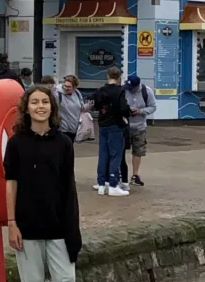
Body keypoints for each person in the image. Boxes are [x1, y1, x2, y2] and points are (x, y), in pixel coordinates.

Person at [4, 85, 90, 282]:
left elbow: (69, 186)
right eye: (35, 102)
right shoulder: (17, 143)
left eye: (45, 102)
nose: (40, 106)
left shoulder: (63, 143)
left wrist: (71, 224)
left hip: (58, 224)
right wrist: (11, 223)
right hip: (27, 225)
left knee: (65, 280)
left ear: (52, 108)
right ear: (26, 107)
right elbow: (11, 183)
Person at [92, 67, 130, 196]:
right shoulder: (120, 91)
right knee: (116, 155)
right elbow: (123, 108)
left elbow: (95, 105)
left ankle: (102, 184)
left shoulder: (100, 90)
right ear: (119, 77)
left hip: (102, 125)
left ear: (107, 75)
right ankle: (113, 183)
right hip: (115, 125)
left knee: (103, 154)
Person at [120, 75, 156, 188]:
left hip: (140, 126)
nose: (129, 89)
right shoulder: (123, 90)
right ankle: (120, 173)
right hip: (124, 125)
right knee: (120, 150)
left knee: (138, 151)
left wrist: (141, 111)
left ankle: (135, 175)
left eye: (131, 87)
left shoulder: (147, 91)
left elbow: (153, 107)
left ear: (137, 86)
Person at [58, 76, 86, 143]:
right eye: (65, 86)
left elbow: (81, 106)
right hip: (62, 129)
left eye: (69, 87)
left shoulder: (77, 93)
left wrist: (87, 107)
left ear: (74, 87)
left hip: (73, 128)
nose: (66, 88)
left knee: (69, 149)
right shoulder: (58, 94)